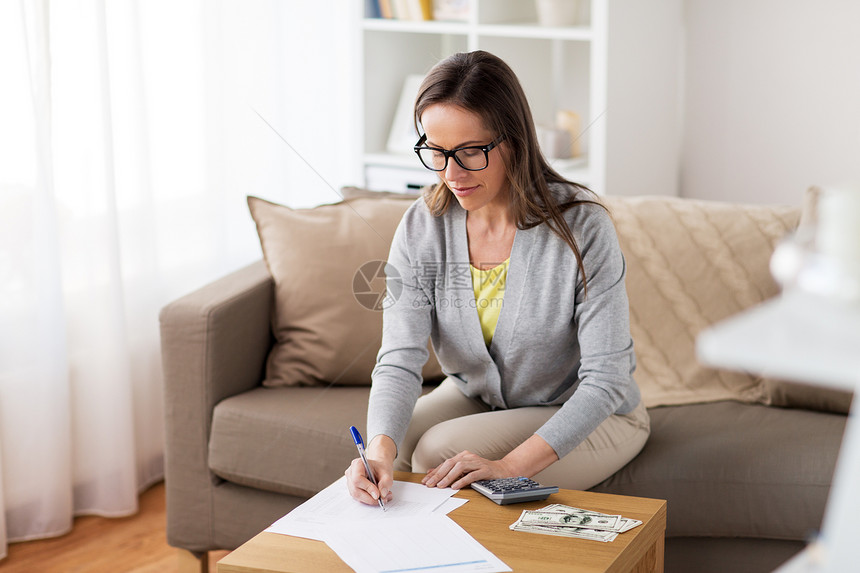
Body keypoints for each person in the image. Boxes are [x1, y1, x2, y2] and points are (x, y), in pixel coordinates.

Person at [346, 50, 649, 507]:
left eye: (470, 152)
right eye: (436, 151)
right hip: (482, 398)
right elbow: (400, 358)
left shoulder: (582, 226)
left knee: (433, 452)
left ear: (514, 141)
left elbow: (606, 379)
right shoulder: (421, 225)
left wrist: (508, 468)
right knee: (397, 445)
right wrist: (377, 453)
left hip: (593, 413)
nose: (451, 174)